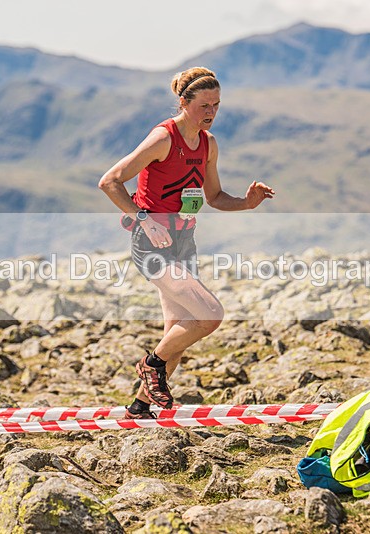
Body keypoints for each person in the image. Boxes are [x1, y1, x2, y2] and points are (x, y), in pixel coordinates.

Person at [99, 67, 276, 419]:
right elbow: (110, 181)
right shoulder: (163, 138)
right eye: (204, 105)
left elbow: (214, 196)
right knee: (209, 315)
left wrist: (246, 203)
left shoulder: (209, 144)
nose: (211, 112)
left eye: (217, 105)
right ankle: (151, 365)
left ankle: (139, 407)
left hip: (184, 242)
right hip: (152, 243)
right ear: (183, 103)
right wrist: (144, 219)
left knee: (176, 333)